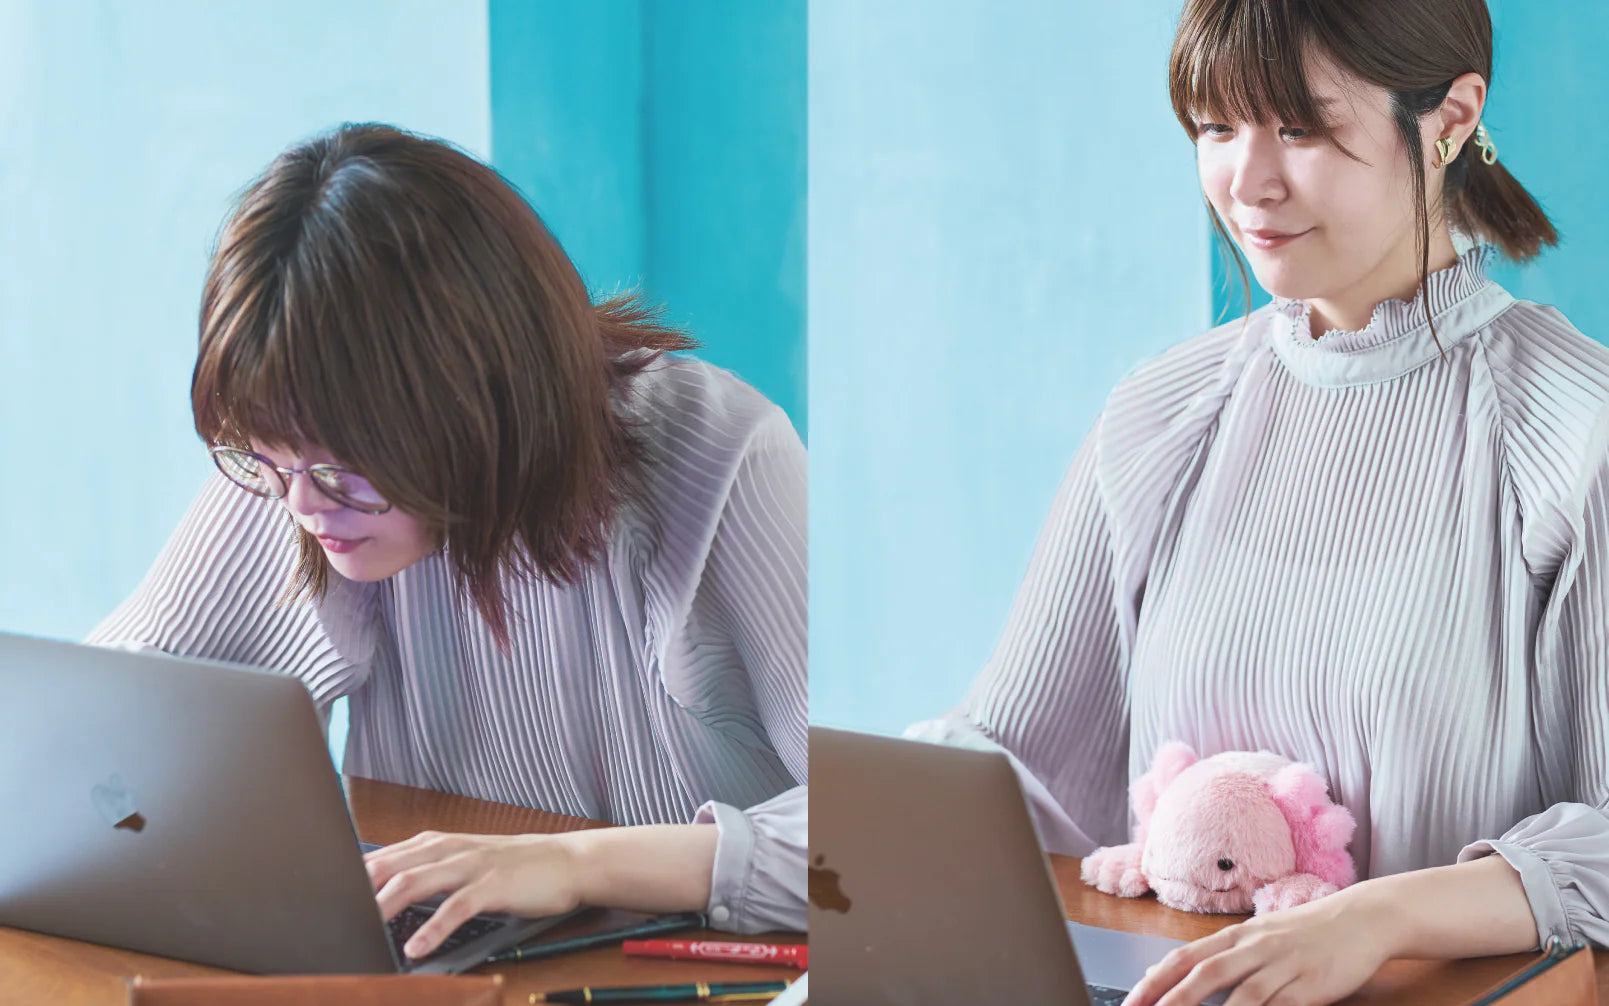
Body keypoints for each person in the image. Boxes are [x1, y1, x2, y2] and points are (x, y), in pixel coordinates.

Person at [910, 1, 1609, 1003]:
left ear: (1451, 118)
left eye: (1301, 127)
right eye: (1214, 127)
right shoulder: (1161, 413)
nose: (1247, 181)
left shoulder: (1573, 430)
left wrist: (1374, 916)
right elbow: (1003, 770)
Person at [89, 123, 806, 959]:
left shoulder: (719, 457)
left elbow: (872, 838)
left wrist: (577, 863)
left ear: (475, 400)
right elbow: (107, 726)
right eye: (266, 460)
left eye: (344, 469)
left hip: (677, 969)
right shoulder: (299, 470)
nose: (304, 510)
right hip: (455, 963)